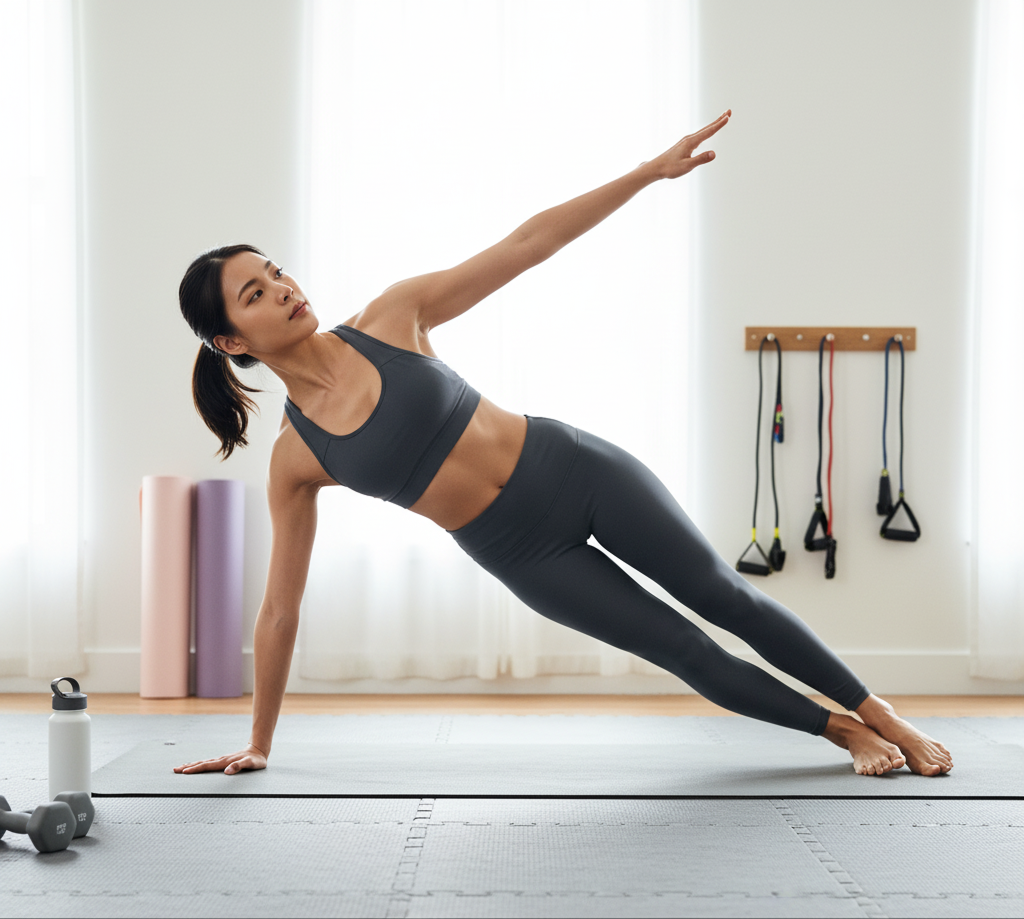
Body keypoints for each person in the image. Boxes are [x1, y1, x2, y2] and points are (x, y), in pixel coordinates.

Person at [173, 111, 952, 780]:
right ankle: (841, 731)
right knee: (687, 651)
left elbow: (528, 242)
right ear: (230, 339)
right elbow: (279, 609)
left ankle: (878, 708)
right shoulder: (296, 458)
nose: (282, 288)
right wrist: (259, 743)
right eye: (255, 293)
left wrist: (649, 172)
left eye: (274, 272)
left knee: (725, 595)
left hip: (572, 469)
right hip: (520, 552)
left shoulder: (390, 317)